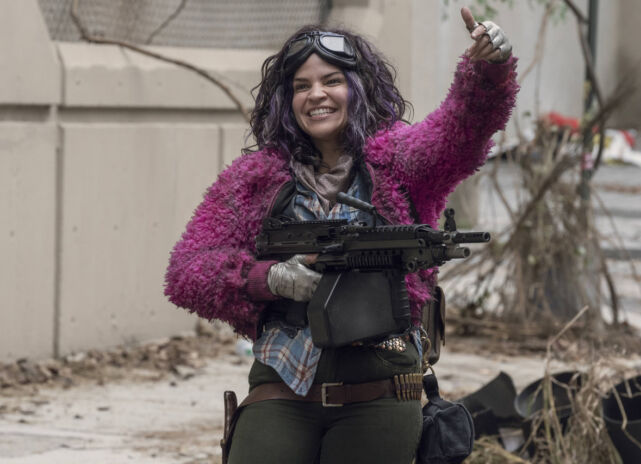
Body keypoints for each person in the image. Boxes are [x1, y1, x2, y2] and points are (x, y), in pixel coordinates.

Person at [165, 7, 518, 464]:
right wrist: (269, 278)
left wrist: (487, 70)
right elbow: (187, 271)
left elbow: (462, 130)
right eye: (301, 86)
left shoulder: (400, 160)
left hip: (383, 378)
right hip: (283, 378)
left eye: (331, 80)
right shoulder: (253, 179)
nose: (317, 94)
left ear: (358, 87)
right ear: (286, 100)